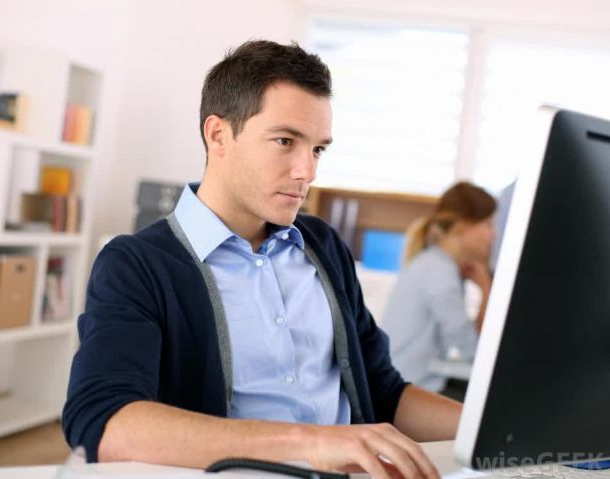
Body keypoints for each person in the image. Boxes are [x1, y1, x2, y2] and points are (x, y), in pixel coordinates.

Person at [62, 40, 462, 479]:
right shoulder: (137, 264)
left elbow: (382, 392)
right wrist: (311, 443)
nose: (306, 171)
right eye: (285, 141)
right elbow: (106, 422)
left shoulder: (323, 247)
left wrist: (492, 428)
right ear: (218, 135)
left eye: (317, 149)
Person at [381, 182, 497, 396]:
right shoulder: (440, 273)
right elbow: (472, 349)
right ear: (463, 225)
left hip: (408, 382)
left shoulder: (434, 263)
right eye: (488, 224)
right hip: (409, 390)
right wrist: (486, 289)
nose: (493, 234)